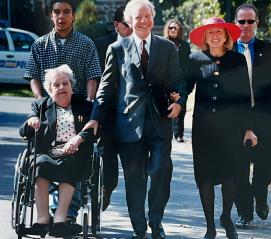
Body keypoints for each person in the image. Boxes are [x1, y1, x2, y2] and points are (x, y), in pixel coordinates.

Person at [83, 0, 187, 238]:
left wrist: (179, 103)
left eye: (147, 16)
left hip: (160, 120)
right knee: (134, 179)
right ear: (129, 21)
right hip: (129, 124)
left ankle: (156, 220)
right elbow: (106, 87)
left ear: (153, 18)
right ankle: (139, 227)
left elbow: (179, 81)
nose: (143, 21)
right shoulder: (117, 49)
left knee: (160, 170)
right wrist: (95, 117)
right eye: (138, 17)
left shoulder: (167, 47)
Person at [23, 0, 101, 231]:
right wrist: (40, 104)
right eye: (57, 12)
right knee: (42, 158)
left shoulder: (86, 44)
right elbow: (33, 76)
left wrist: (88, 104)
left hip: (76, 108)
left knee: (76, 157)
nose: (61, 17)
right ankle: (44, 216)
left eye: (66, 12)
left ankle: (66, 215)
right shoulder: (40, 45)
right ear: (51, 15)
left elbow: (92, 77)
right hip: (49, 109)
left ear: (73, 15)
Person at [187, 17, 258, 239]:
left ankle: (226, 216)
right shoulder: (195, 58)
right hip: (203, 129)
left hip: (232, 127)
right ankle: (209, 225)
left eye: (219, 32)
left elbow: (245, 95)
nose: (215, 36)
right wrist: (175, 96)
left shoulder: (236, 59)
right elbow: (185, 85)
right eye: (211, 33)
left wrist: (248, 128)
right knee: (205, 177)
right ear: (205, 38)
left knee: (230, 176)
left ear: (226, 36)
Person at [233, 3, 271, 229]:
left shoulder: (270, 51)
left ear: (257, 23)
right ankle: (245, 212)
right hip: (237, 120)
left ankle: (260, 193)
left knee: (267, 164)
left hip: (266, 117)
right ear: (235, 23)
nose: (246, 26)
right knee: (237, 168)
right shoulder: (228, 52)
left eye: (250, 21)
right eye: (242, 21)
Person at [19, 64, 94, 237]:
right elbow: (23, 132)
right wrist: (31, 121)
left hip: (74, 152)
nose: (61, 87)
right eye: (56, 85)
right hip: (46, 153)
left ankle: (60, 219)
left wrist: (78, 138)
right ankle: (43, 219)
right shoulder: (40, 105)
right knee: (39, 164)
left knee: (71, 164)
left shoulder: (84, 105)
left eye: (65, 83)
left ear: (71, 85)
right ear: (49, 89)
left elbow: (93, 130)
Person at [94, 5, 133, 211]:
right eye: (128, 24)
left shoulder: (143, 45)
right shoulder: (101, 45)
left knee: (133, 164)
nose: (133, 28)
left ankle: (136, 210)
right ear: (117, 25)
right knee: (107, 156)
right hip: (107, 113)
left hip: (133, 115)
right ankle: (106, 190)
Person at [163, 19, 191, 143]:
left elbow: (187, 64)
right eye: (171, 28)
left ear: (179, 30)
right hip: (165, 81)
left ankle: (179, 134)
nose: (173, 30)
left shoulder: (184, 46)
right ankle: (165, 133)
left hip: (181, 80)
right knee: (165, 106)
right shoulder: (162, 43)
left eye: (175, 28)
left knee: (181, 107)